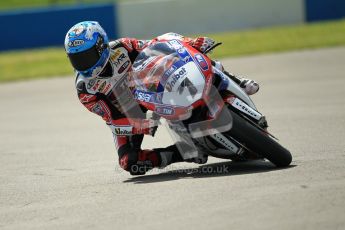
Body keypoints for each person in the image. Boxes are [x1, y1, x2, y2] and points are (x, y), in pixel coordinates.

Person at [64, 21, 259, 175]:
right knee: (129, 163)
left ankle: (235, 79)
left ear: (101, 46)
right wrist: (141, 124)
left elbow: (156, 47)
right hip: (128, 112)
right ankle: (182, 152)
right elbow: (113, 118)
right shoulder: (85, 90)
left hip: (150, 85)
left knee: (168, 38)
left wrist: (190, 43)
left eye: (86, 56)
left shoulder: (122, 47)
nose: (82, 64)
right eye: (76, 59)